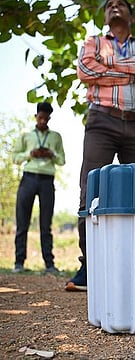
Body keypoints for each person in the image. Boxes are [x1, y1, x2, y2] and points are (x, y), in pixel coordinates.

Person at [66, 0, 135, 291]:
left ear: (131, 15)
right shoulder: (93, 42)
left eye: (121, 3)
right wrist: (131, 72)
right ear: (106, 15)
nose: (114, 6)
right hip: (101, 121)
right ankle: (89, 266)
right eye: (109, 4)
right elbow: (85, 70)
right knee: (91, 191)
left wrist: (108, 66)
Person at [12, 101, 66, 273]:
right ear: (36, 116)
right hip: (28, 178)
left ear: (50, 118)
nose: (43, 121)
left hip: (47, 180)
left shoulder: (56, 137)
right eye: (40, 117)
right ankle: (18, 263)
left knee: (45, 224)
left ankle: (49, 264)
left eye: (46, 118)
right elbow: (15, 158)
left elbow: (62, 160)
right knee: (22, 222)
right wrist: (30, 154)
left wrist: (52, 154)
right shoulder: (26, 136)